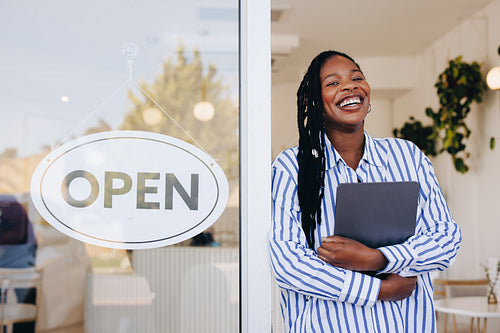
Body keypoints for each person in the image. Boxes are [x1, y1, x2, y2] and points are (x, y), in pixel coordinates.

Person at [269, 50, 462, 332]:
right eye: (333, 83)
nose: (350, 86)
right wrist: (376, 290)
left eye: (357, 78)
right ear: (313, 102)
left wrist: (377, 259)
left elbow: (446, 239)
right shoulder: (291, 168)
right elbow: (289, 264)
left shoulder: (407, 156)